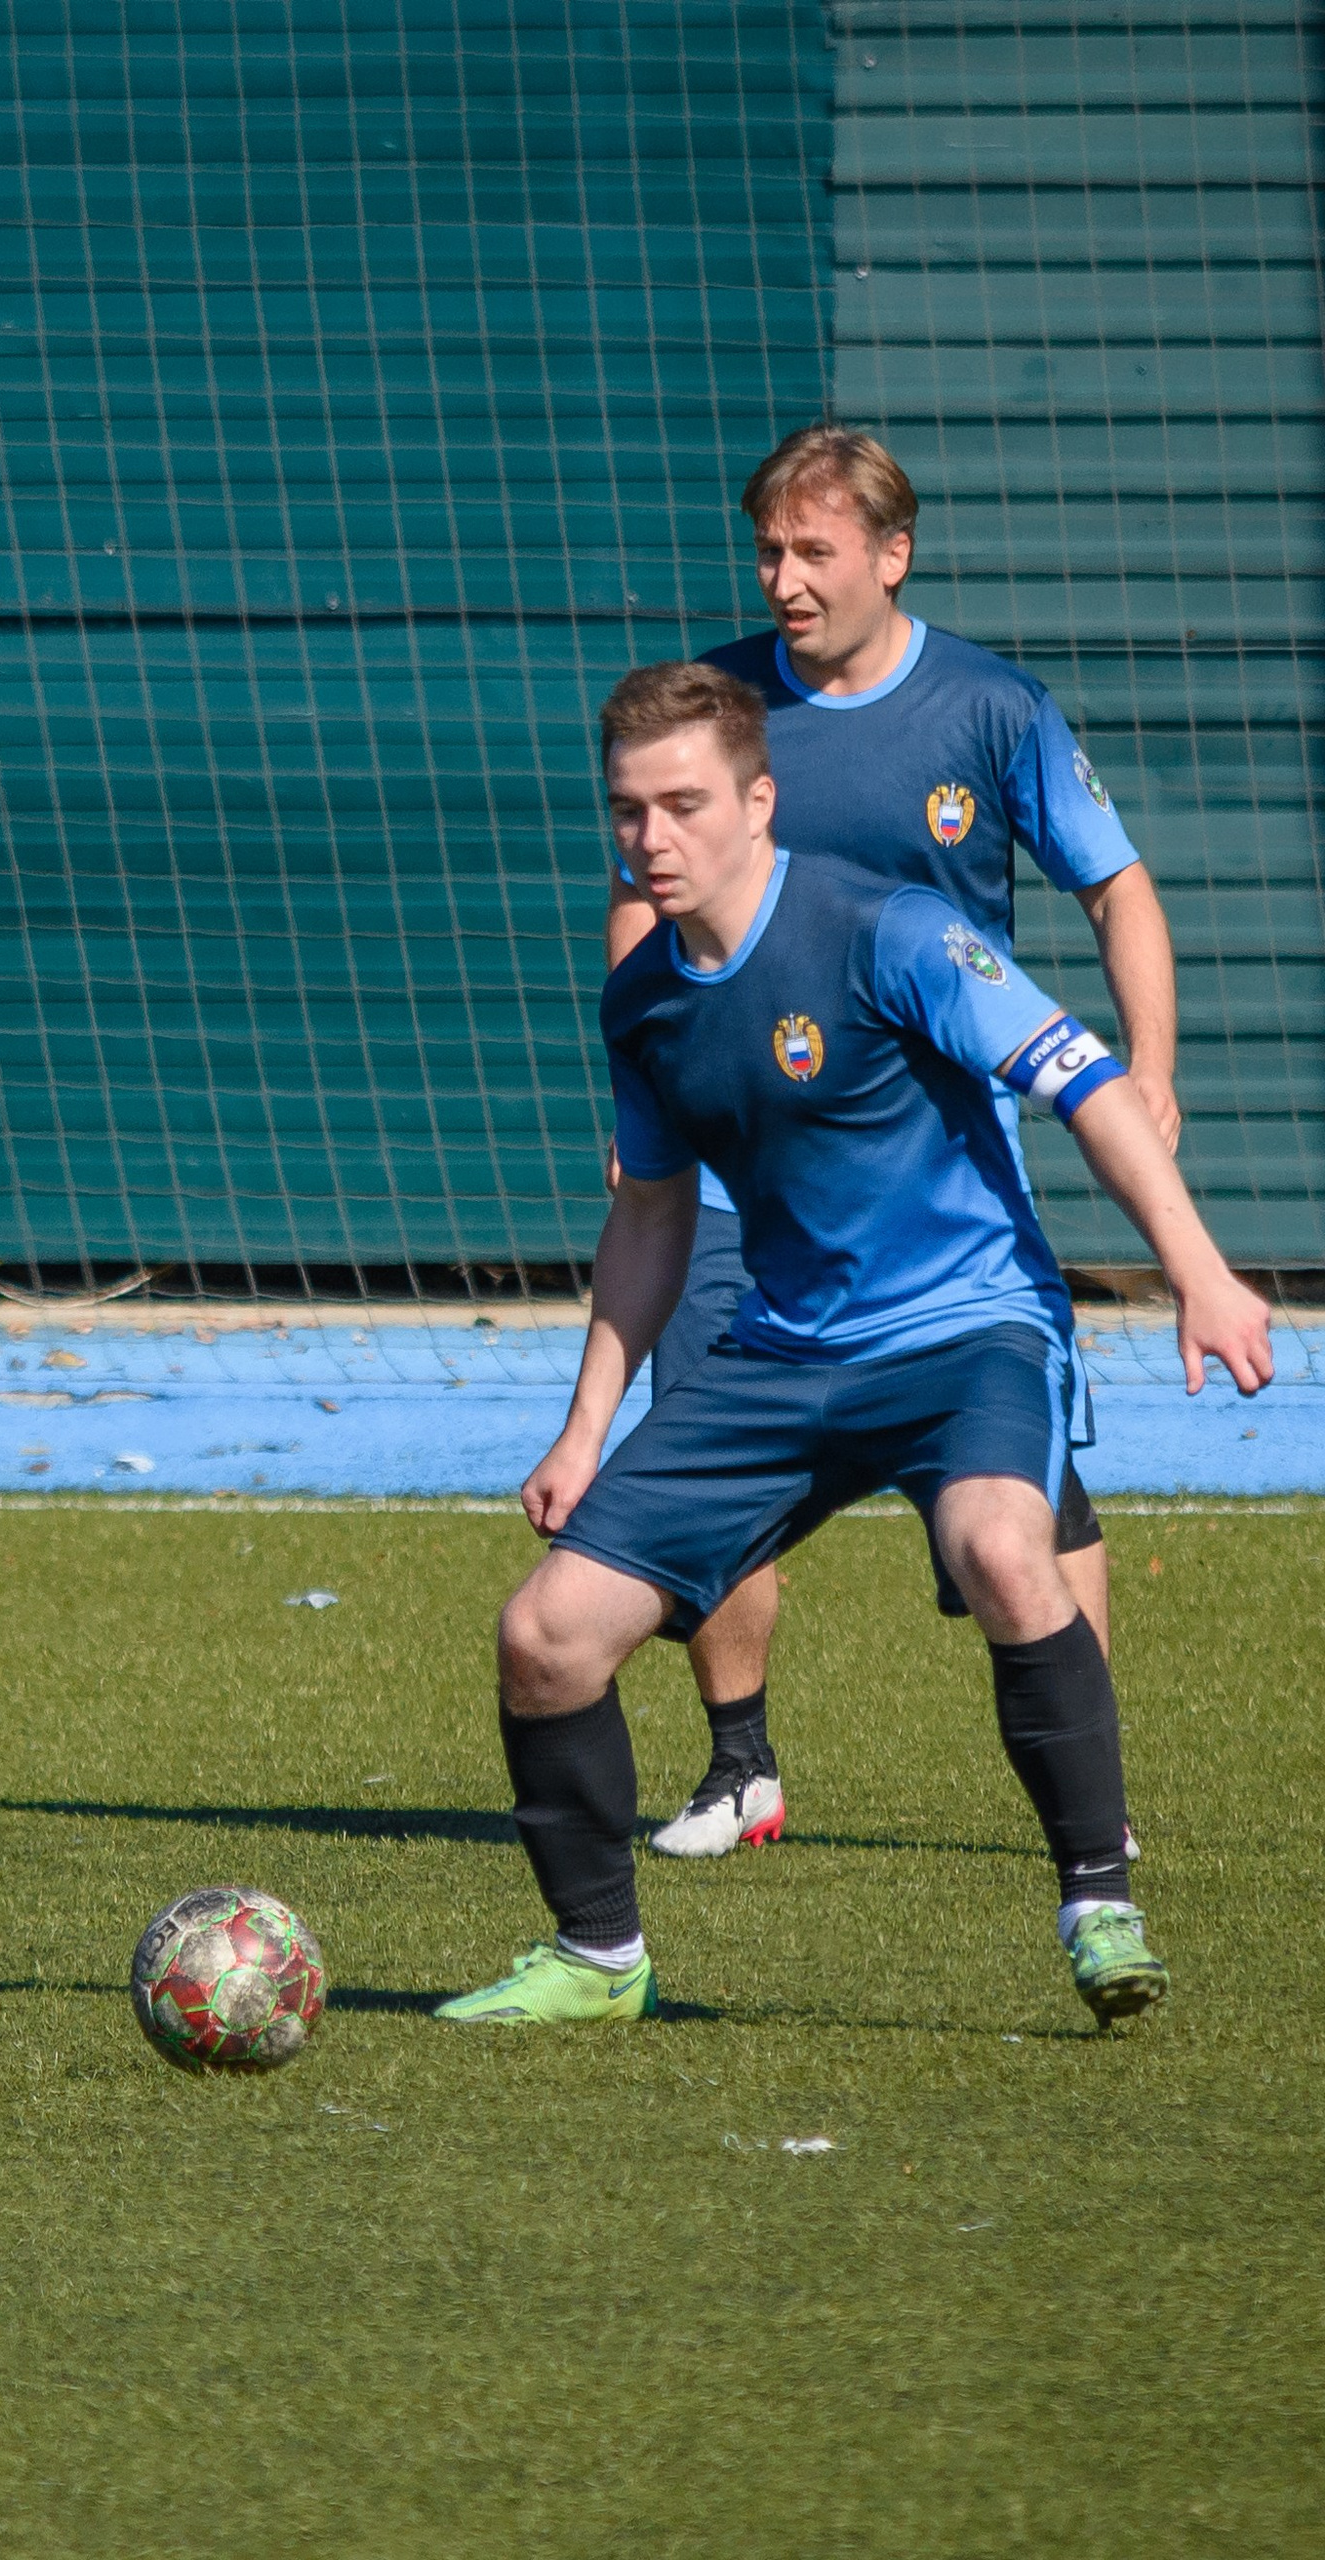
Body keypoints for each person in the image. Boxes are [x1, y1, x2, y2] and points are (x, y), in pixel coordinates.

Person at [437, 663, 1268, 2031]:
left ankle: (1097, 1901)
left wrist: (1202, 1275)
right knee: (546, 1637)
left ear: (759, 801)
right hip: (782, 1355)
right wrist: (584, 1430)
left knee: (1004, 1549)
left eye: (684, 804)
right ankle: (598, 1957)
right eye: (629, 810)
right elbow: (651, 1214)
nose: (651, 837)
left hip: (967, 1329)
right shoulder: (643, 1000)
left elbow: (1088, 1087)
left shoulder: (892, 932)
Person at [608, 426, 1184, 1861]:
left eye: (814, 551)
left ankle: (1094, 1799)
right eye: (769, 552)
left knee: (1027, 1502)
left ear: (892, 554)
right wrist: (652, 1088)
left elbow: (1116, 888)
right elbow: (642, 907)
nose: (785, 580)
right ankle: (739, 1767)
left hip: (935, 1173)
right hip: (741, 1165)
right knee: (703, 1447)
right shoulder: (719, 713)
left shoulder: (991, 707)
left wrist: (1151, 1069)